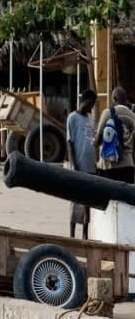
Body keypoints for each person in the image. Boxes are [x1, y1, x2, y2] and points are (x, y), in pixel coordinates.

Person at [67, 89, 98, 239]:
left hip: (90, 165)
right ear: (85, 102)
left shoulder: (90, 118)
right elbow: (70, 142)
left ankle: (85, 233)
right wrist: (74, 165)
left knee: (88, 201)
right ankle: (72, 233)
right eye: (91, 104)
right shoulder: (72, 117)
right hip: (79, 164)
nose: (91, 108)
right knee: (76, 200)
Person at [95, 87, 135, 183]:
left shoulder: (107, 113)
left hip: (109, 165)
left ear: (114, 99)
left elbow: (98, 139)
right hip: (128, 164)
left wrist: (94, 142)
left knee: (107, 196)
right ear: (126, 100)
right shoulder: (133, 116)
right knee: (124, 197)